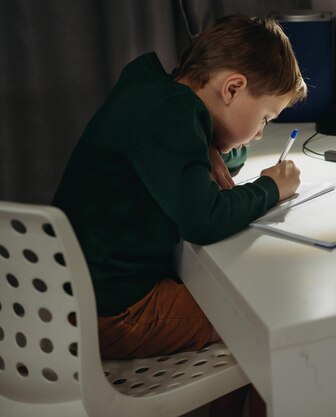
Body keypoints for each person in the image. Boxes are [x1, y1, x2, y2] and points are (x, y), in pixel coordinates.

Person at [52, 14, 306, 416]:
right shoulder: (174, 117)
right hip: (116, 312)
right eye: (265, 118)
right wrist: (272, 187)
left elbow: (188, 154)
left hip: (68, 298)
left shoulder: (149, 85)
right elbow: (204, 219)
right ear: (233, 88)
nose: (260, 134)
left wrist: (208, 145)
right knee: (265, 328)